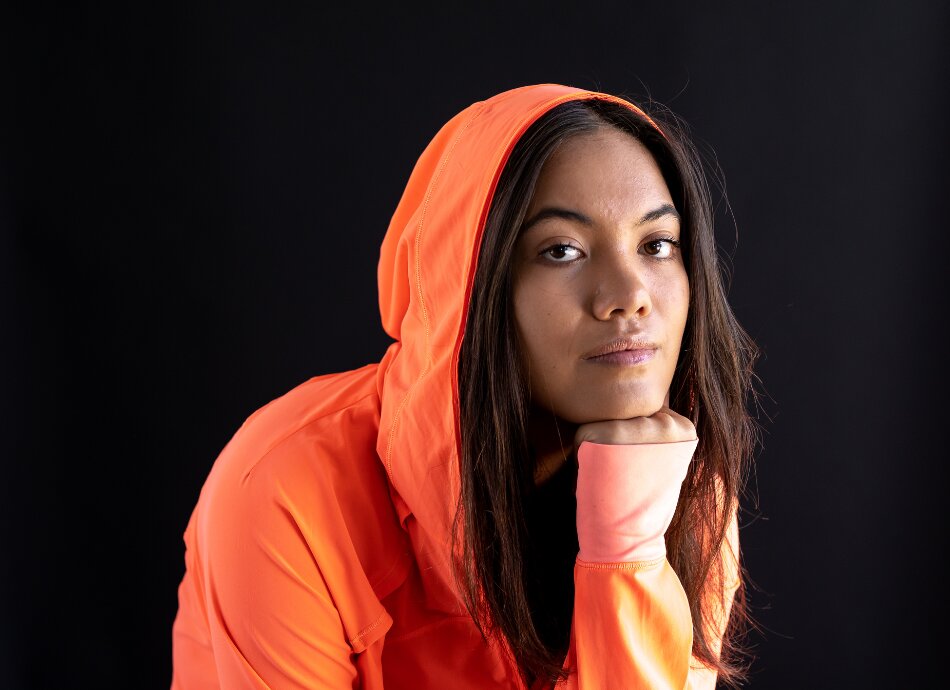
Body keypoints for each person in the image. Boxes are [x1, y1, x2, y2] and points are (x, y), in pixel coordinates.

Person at [170, 83, 758, 689]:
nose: (630, 296)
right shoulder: (287, 491)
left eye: (657, 245)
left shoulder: (676, 485)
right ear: (468, 284)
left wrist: (626, 549)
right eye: (562, 250)